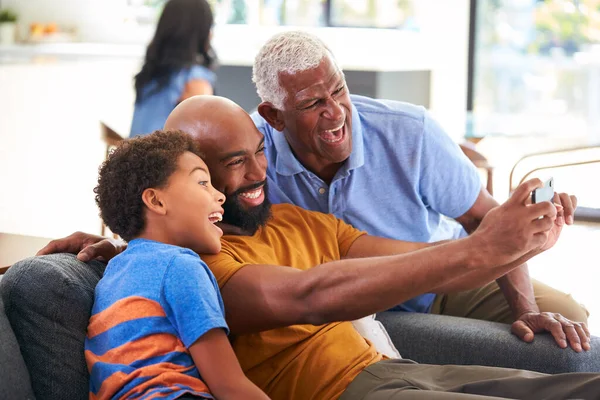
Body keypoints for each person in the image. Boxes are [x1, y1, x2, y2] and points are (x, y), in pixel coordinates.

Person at [39, 96, 597, 400]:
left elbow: (414, 265)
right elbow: (310, 295)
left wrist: (519, 235)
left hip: (393, 368)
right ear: (192, 178)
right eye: (232, 165)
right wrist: (484, 247)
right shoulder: (200, 263)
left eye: (260, 151)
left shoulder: (302, 222)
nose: (261, 171)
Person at [250, 30, 588, 348]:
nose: (336, 112)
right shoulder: (250, 150)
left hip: (439, 282)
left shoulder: (410, 132)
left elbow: (482, 218)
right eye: (312, 104)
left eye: (339, 90)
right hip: (331, 305)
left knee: (566, 323)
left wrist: (524, 309)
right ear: (275, 116)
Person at [86, 130, 268, 399]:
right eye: (203, 182)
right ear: (157, 201)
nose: (220, 196)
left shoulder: (113, 273)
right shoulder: (180, 267)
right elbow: (229, 385)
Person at [129, 0, 217, 137]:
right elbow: (203, 137)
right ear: (202, 31)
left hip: (134, 155)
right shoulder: (195, 79)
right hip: (165, 157)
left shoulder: (150, 74)